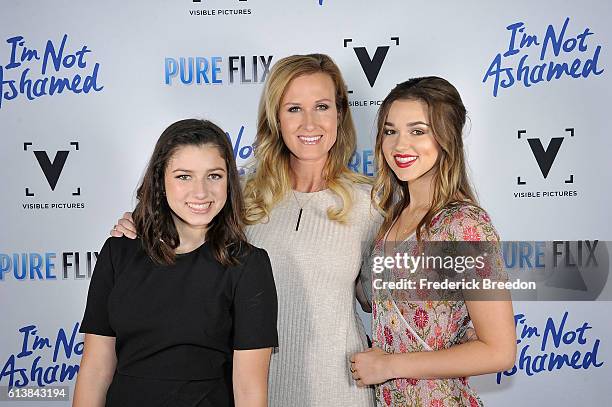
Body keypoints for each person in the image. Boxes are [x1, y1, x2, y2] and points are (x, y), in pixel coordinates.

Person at [111, 54, 380, 406]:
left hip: (340, 392)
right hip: (248, 391)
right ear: (276, 117)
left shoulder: (372, 204)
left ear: (340, 113)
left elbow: (384, 303)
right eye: (294, 108)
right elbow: (180, 257)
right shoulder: (238, 198)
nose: (309, 123)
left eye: (323, 106)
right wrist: (140, 226)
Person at [74, 119, 278, 407]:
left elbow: (249, 389)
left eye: (214, 176)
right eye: (184, 176)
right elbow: (95, 369)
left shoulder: (248, 265)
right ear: (160, 180)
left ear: (229, 181)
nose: (201, 193)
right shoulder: (118, 252)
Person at [349, 77, 516, 406]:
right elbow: (380, 305)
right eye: (390, 130)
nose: (400, 145)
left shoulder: (464, 226)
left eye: (417, 130)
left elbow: (500, 351)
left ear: (446, 138)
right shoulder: (391, 219)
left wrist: (388, 365)